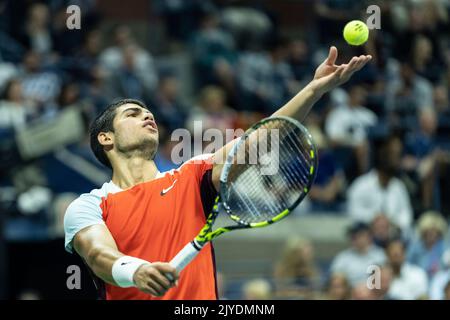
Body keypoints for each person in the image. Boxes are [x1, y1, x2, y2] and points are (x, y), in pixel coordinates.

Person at [63, 47, 372, 300]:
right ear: (106, 138)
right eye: (133, 114)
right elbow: (98, 255)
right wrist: (136, 272)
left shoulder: (191, 176)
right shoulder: (89, 206)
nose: (147, 115)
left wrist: (314, 89)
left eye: (148, 112)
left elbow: (260, 138)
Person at [347, 134, 413, 238]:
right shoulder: (361, 185)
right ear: (382, 155)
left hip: (393, 238)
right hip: (367, 239)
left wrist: (392, 222)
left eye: (397, 156)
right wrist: (374, 219)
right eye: (392, 155)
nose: (395, 160)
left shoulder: (399, 187)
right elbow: (353, 211)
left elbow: (406, 215)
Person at [330, 222, 386, 286]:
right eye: (354, 236)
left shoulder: (379, 255)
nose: (358, 239)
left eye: (361, 235)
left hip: (374, 291)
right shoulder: (343, 257)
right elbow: (335, 278)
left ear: (370, 237)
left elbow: (384, 278)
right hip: (349, 293)